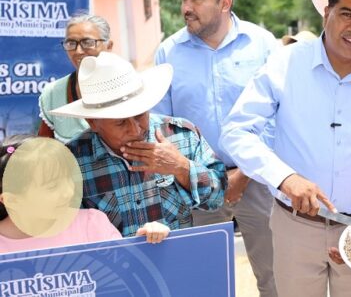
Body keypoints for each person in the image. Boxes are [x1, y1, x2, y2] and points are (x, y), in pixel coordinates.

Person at [220, 0, 351, 297]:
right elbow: (236, 131)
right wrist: (285, 178)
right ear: (327, 12)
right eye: (347, 14)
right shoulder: (286, 63)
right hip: (294, 226)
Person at [153, 0, 279, 297]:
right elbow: (161, 127)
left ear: (225, 2)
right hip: (195, 186)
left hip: (259, 181)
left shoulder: (262, 45)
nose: (186, 8)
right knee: (203, 283)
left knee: (276, 278)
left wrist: (244, 174)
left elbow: (279, 117)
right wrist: (199, 176)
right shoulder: (168, 52)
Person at [49, 52, 227, 237]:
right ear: (92, 123)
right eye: (120, 123)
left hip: (179, 254)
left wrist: (181, 167)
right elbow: (64, 231)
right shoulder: (73, 161)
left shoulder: (182, 135)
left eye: (140, 115)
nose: (135, 129)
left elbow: (219, 198)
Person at [0, 136, 170, 254]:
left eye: (67, 179)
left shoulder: (92, 224)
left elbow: (126, 274)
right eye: (52, 186)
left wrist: (145, 243)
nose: (68, 192)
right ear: (12, 200)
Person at [38, 14, 114, 142]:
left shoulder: (128, 85)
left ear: (109, 46)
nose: (78, 51)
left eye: (88, 42)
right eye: (71, 43)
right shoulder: (54, 93)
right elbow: (44, 146)